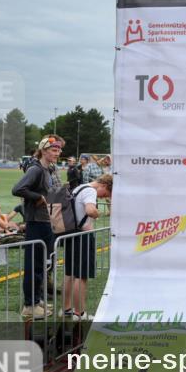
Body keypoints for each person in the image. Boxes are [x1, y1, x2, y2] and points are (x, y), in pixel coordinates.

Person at [12, 135, 63, 319]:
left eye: (58, 150)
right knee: (33, 264)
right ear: (43, 150)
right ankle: (29, 305)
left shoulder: (48, 169)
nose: (57, 153)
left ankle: (37, 299)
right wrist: (37, 197)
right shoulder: (36, 169)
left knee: (42, 264)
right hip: (36, 221)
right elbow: (18, 189)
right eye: (53, 150)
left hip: (46, 220)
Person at [63, 174, 112, 321]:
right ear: (103, 185)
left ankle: (66, 309)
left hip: (71, 234)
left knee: (69, 274)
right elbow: (90, 210)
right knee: (81, 276)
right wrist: (98, 213)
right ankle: (80, 313)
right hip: (83, 235)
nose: (105, 197)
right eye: (107, 193)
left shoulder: (79, 187)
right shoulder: (91, 191)